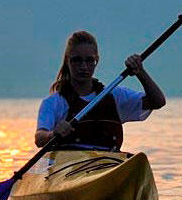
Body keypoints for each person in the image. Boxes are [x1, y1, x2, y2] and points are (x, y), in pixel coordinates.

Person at [35, 30, 166, 150]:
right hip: (69, 164)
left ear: (96, 61)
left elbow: (157, 102)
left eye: (89, 60)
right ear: (67, 61)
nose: (83, 66)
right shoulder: (54, 102)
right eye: (76, 60)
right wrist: (52, 134)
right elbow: (39, 138)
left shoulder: (114, 95)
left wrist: (140, 72)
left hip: (109, 163)